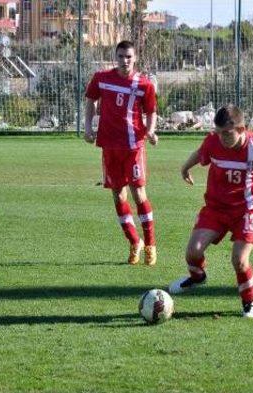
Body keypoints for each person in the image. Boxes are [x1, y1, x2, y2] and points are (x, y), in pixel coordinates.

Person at [168, 105, 253, 318]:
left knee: (239, 259)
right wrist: (185, 168)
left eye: (227, 133)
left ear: (242, 129)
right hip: (216, 207)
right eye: (218, 132)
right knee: (193, 252)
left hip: (248, 208)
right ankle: (198, 277)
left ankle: (249, 304)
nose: (221, 138)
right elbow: (201, 153)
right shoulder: (213, 141)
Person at [84, 40, 159, 266]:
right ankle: (134, 242)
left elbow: (152, 112)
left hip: (133, 146)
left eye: (129, 57)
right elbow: (90, 100)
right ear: (115, 57)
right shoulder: (102, 78)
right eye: (121, 56)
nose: (125, 61)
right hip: (110, 146)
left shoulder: (144, 85)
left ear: (135, 58)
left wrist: (151, 131)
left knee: (139, 194)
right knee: (118, 196)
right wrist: (88, 127)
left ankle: (150, 244)